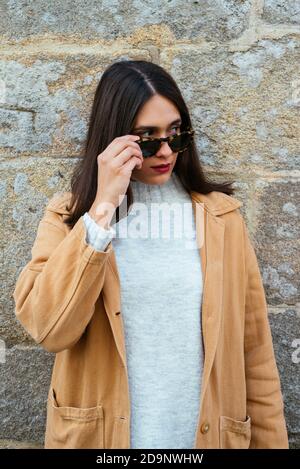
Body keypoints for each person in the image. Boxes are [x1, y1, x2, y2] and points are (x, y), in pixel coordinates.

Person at [13, 59, 289, 449]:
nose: (165, 151)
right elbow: (49, 328)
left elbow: (255, 354)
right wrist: (103, 208)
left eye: (175, 134)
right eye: (147, 137)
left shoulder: (221, 218)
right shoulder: (69, 217)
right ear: (114, 137)